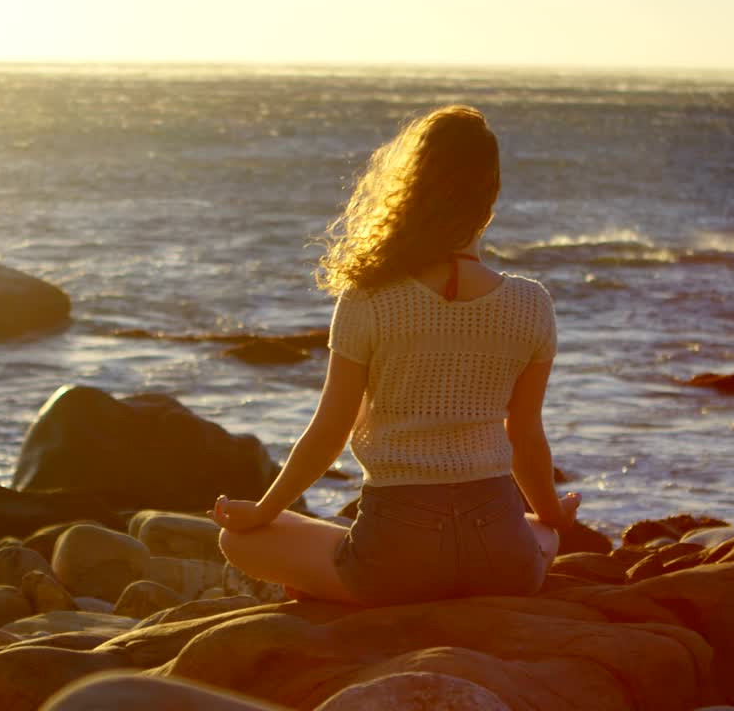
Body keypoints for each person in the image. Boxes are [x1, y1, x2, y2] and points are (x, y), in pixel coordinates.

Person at [209, 105, 579, 605]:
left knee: (238, 540)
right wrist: (553, 513)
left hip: (397, 555)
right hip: (501, 555)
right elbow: (526, 433)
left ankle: (345, 589)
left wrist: (264, 511)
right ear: (490, 196)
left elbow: (330, 430)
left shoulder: (370, 298)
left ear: (411, 189)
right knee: (544, 534)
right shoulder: (532, 303)